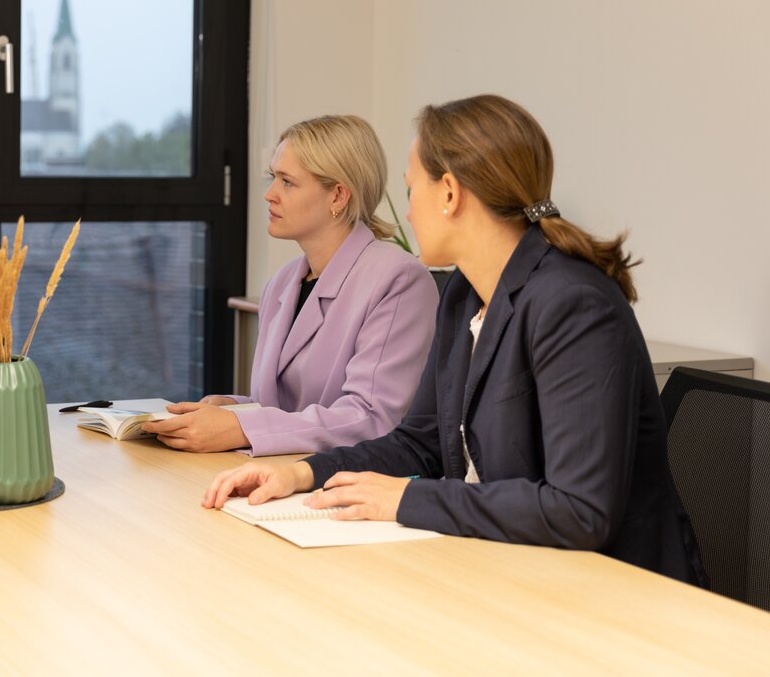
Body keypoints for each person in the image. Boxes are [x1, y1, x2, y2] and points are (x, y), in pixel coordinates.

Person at [203, 95, 705, 585]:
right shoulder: (464, 292)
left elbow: (579, 510)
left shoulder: (574, 304)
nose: (408, 209)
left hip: (617, 591)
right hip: (509, 568)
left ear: (449, 193)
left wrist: (405, 500)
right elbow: (417, 441)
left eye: (411, 189)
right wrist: (304, 474)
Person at [143, 114, 438, 455]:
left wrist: (241, 427)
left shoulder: (398, 280)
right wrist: (233, 407)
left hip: (346, 487)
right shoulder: (282, 283)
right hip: (279, 477)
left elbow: (371, 419)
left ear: (338, 196)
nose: (269, 194)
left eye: (287, 181)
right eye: (273, 178)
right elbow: (284, 408)